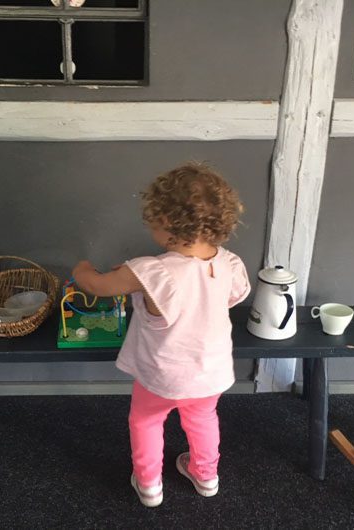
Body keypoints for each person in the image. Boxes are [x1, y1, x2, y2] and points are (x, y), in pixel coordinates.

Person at [72, 162, 251, 507]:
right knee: (202, 419)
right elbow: (231, 296)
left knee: (146, 421)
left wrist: (82, 268)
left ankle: (149, 485)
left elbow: (96, 286)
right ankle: (206, 475)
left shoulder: (150, 270)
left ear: (166, 223)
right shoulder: (229, 263)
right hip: (209, 372)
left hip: (161, 374)